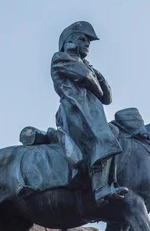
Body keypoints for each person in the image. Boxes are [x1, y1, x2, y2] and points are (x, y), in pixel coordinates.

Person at [51, 21, 128, 206]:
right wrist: (91, 73)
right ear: (70, 41)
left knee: (114, 132)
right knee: (103, 136)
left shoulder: (87, 66)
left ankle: (104, 182)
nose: (87, 44)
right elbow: (87, 78)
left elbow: (107, 97)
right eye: (83, 39)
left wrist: (97, 74)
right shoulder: (61, 58)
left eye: (89, 42)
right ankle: (100, 189)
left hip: (91, 115)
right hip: (74, 111)